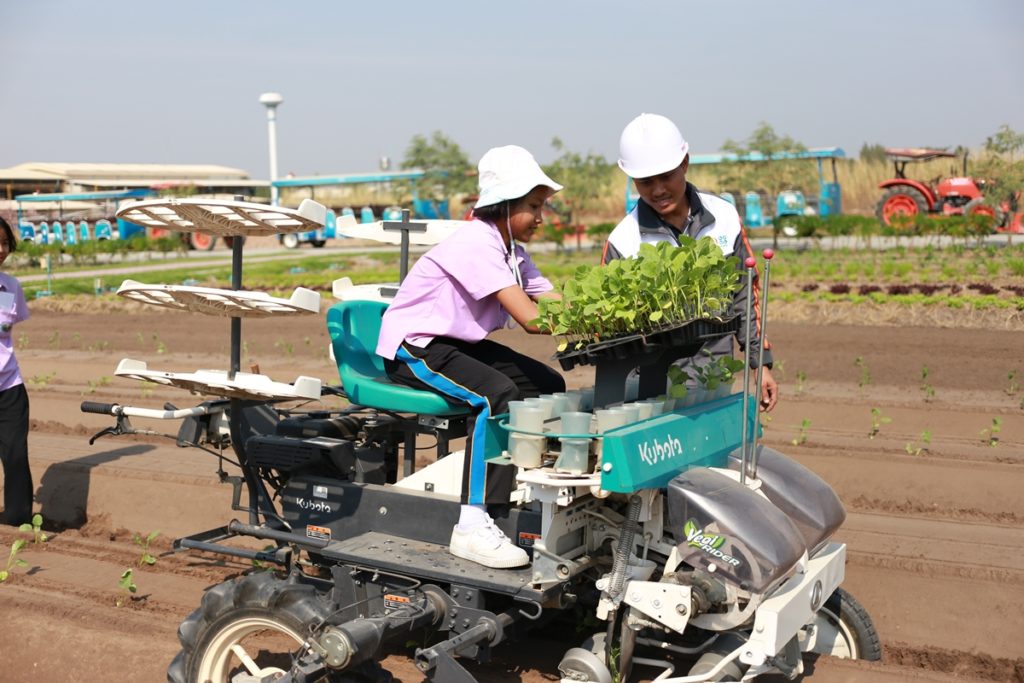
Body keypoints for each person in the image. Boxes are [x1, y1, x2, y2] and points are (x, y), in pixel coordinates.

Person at [376, 145, 566, 569]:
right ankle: (473, 521)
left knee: (549, 385)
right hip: (416, 346)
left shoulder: (512, 251)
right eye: (534, 206)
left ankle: (516, 480)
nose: (540, 216)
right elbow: (534, 319)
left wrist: (601, 315)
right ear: (504, 205)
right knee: (496, 395)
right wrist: (588, 325)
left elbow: (553, 298)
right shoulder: (476, 244)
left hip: (455, 344)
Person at [603, 113, 778, 411]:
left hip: (715, 371)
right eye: (645, 181)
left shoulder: (723, 218)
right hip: (653, 385)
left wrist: (759, 363)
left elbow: (745, 295)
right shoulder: (624, 241)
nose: (658, 190)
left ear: (684, 163)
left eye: (666, 176)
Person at [0, 216, 33, 527]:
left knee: (15, 455)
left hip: (9, 385)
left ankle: (16, 520)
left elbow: (9, 326)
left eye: (5, 242)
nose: (0, 249)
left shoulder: (10, 286)